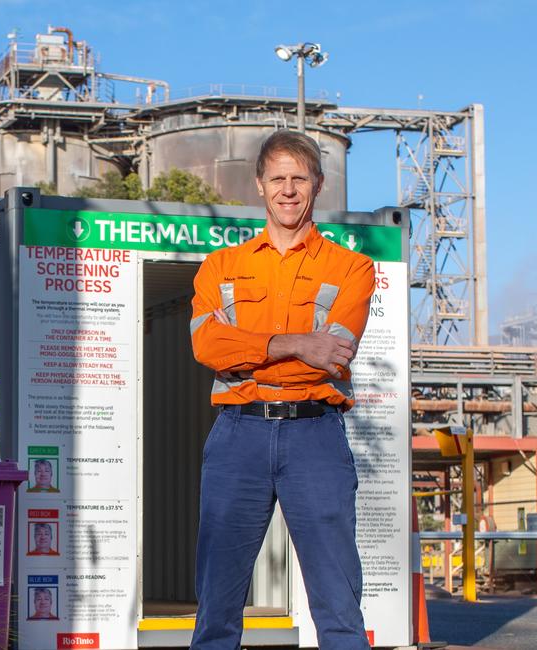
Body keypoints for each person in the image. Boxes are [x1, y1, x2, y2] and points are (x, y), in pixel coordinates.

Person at [189, 129, 374, 649]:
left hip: (315, 434)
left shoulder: (352, 267)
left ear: (317, 184)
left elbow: (334, 352)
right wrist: (295, 343)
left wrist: (247, 354)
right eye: (278, 179)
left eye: (299, 178)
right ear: (259, 185)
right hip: (236, 437)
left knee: (337, 600)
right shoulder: (221, 266)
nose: (288, 190)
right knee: (217, 599)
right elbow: (206, 346)